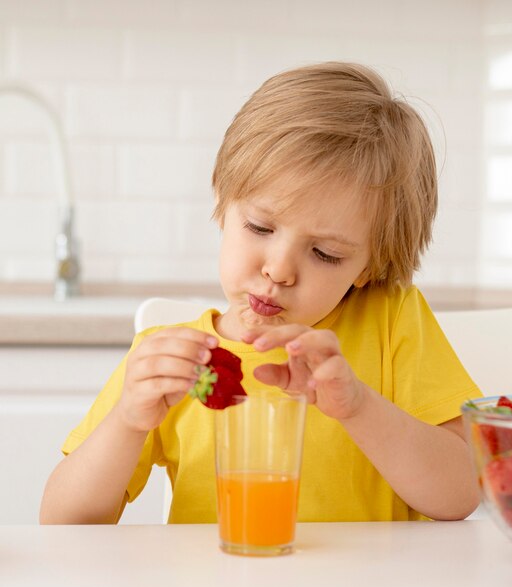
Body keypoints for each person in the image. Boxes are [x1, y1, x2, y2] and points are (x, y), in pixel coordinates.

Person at [40, 62, 482, 525]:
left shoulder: (391, 322)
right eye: (259, 226)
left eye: (326, 253)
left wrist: (358, 406)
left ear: (369, 267)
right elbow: (62, 523)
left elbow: (460, 494)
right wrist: (128, 421)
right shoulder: (168, 358)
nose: (278, 269)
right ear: (221, 201)